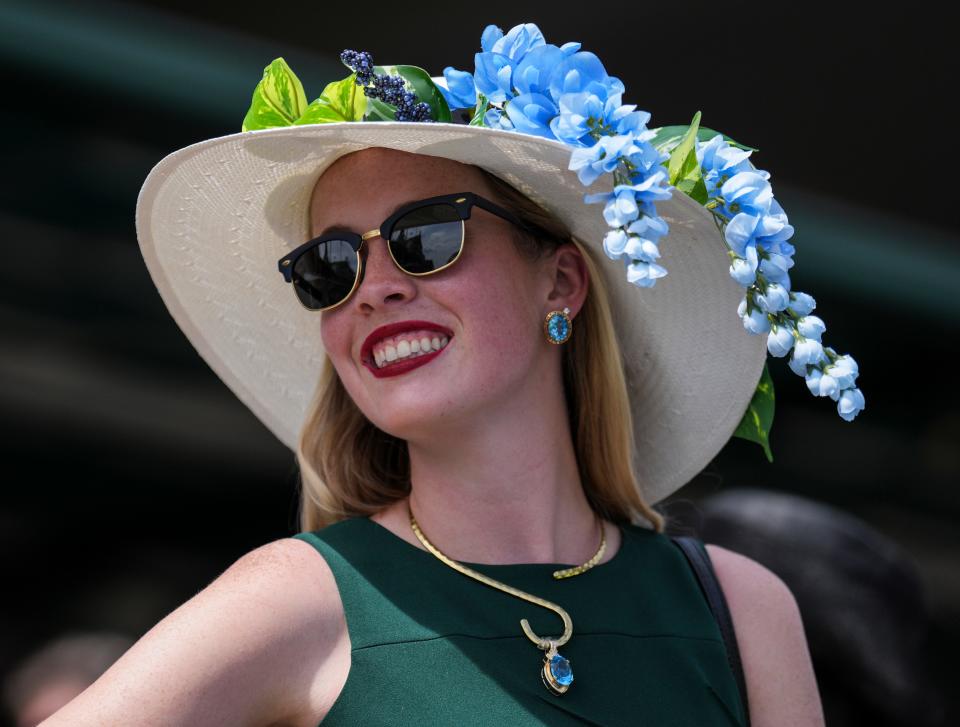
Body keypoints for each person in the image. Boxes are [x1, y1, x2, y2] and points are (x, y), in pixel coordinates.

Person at [41, 22, 849, 726]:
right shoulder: (300, 599)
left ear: (560, 282)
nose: (377, 286)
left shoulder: (743, 611)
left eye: (426, 236)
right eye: (330, 267)